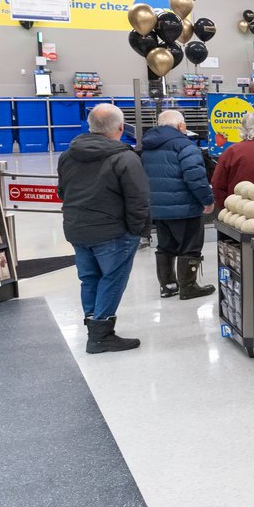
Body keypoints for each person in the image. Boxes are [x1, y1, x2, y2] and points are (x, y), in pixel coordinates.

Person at [58, 103, 149, 353]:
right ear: (121, 128)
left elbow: (62, 192)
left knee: (89, 278)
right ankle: (101, 335)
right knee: (112, 278)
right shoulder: (125, 157)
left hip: (77, 229)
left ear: (90, 127)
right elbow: (138, 199)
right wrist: (135, 231)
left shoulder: (68, 155)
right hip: (113, 233)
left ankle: (93, 328)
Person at [139, 110, 214, 300]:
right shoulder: (184, 146)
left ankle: (168, 286)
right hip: (185, 208)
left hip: (158, 208)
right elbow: (195, 178)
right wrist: (207, 200)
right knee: (190, 247)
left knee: (165, 246)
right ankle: (188, 287)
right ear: (181, 126)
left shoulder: (147, 146)